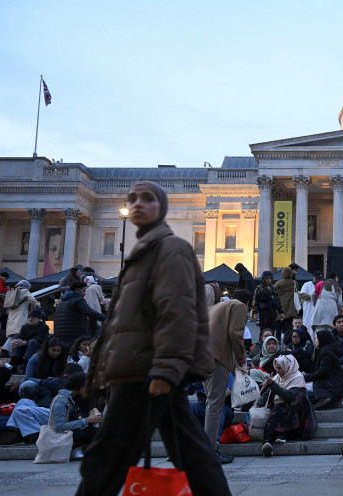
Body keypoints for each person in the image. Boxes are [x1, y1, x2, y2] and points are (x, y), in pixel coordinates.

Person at [77, 181, 229, 496]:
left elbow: (177, 312)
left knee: (108, 457)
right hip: (142, 366)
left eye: (148, 199)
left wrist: (166, 368)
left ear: (162, 206)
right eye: (132, 199)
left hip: (148, 370)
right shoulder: (142, 252)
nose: (137, 204)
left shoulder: (171, 248)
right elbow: (125, 319)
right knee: (192, 454)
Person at [204, 289, 250, 464]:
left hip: (204, 358)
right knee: (215, 405)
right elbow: (235, 334)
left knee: (211, 404)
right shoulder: (238, 306)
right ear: (247, 303)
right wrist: (241, 360)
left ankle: (208, 449)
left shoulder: (215, 308)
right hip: (219, 359)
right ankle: (210, 452)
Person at [259, 354, 315, 457]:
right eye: (277, 368)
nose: (279, 371)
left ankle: (278, 436)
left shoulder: (297, 377)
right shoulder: (277, 377)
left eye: (281, 368)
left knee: (280, 409)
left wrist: (272, 384)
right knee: (278, 410)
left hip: (296, 414)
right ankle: (268, 443)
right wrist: (259, 403)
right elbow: (268, 393)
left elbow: (290, 397)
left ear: (287, 366)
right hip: (281, 409)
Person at [50, 372, 102, 460]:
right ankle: (75, 448)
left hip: (77, 431)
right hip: (64, 435)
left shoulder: (78, 397)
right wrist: (87, 420)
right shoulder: (61, 400)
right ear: (79, 386)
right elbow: (59, 427)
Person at [53, 281, 106, 350]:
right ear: (77, 290)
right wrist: (107, 318)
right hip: (74, 333)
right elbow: (90, 312)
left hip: (60, 334)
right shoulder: (78, 299)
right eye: (84, 291)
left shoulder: (62, 301)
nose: (85, 294)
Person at [19, 337, 68, 407]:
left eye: (58, 351)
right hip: (37, 385)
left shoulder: (64, 360)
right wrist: (41, 381)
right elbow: (28, 377)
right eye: (53, 350)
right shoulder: (35, 358)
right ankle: (33, 404)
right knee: (28, 385)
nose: (56, 353)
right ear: (47, 349)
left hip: (54, 386)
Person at [302, 329, 343, 409]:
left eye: (317, 339)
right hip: (334, 382)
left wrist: (307, 377)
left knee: (316, 382)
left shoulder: (326, 352)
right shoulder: (326, 350)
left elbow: (323, 371)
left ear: (323, 340)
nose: (315, 341)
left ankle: (325, 398)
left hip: (331, 384)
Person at [274, 266, 300, 340]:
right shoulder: (294, 283)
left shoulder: (278, 283)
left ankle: (278, 341)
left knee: (278, 326)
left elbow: (273, 293)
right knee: (290, 326)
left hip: (280, 308)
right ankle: (290, 340)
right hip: (290, 307)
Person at [299, 272, 322, 339]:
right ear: (313, 277)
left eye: (319, 279)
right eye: (316, 278)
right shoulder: (307, 284)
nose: (318, 280)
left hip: (318, 309)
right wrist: (313, 296)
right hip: (308, 309)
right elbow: (302, 295)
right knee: (308, 325)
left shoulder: (322, 285)